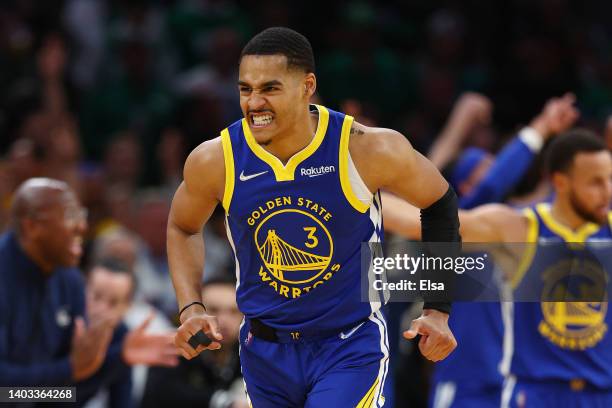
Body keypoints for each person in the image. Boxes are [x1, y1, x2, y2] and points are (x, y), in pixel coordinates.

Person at [168, 27, 460, 407]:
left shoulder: (365, 148)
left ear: (307, 86)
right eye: (245, 89)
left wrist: (437, 309)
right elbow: (182, 225)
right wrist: (191, 307)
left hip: (348, 347)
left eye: (269, 88)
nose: (254, 102)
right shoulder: (216, 159)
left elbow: (438, 203)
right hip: (263, 351)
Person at [384, 129, 612, 407]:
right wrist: (353, 191)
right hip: (533, 393)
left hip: (602, 393)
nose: (608, 191)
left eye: (610, 180)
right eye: (596, 183)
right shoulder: (521, 229)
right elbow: (418, 223)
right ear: (561, 183)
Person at [0, 178, 113, 387]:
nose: (82, 226)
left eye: (82, 215)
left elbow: (67, 393)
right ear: (32, 227)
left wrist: (121, 358)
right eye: (71, 216)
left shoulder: (70, 279)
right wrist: (68, 371)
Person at [83, 259, 178, 408]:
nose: (100, 309)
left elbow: (122, 400)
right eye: (96, 297)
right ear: (83, 291)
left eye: (113, 302)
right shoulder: (60, 326)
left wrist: (119, 357)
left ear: (127, 307)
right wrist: (117, 357)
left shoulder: (124, 337)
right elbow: (39, 394)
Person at [142, 276, 248, 408]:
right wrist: (224, 402)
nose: (224, 320)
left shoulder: (247, 352)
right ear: (195, 314)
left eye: (233, 312)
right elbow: (164, 394)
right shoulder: (174, 347)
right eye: (214, 310)